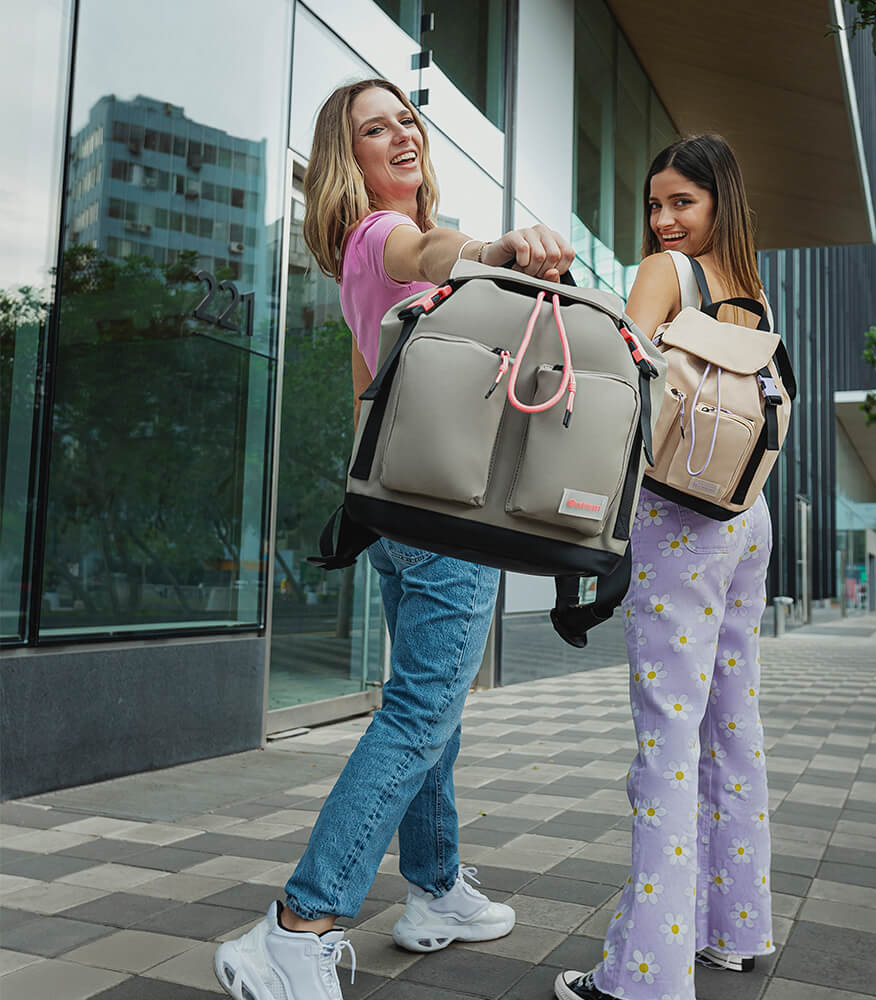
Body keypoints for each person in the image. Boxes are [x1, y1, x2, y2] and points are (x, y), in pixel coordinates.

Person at [214, 78, 574, 1000]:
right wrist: (493, 247)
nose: (400, 134)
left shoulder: (367, 266)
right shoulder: (382, 238)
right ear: (353, 159)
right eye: (376, 129)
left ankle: (438, 889)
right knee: (417, 719)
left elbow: (371, 388)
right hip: (446, 522)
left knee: (432, 720)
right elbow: (426, 242)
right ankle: (301, 924)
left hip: (404, 518)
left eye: (406, 119)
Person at [556, 135, 776, 1000]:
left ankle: (642, 975)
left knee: (667, 739)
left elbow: (618, 378)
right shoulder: (748, 292)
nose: (664, 220)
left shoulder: (665, 274)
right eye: (655, 205)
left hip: (680, 518)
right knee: (732, 730)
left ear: (719, 198)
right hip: (745, 517)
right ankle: (737, 929)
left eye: (682, 201)